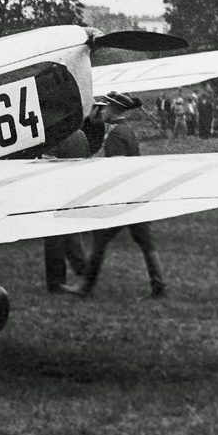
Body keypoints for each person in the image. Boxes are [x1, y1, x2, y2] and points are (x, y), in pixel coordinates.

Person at [64, 93, 166, 299]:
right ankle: (159, 286)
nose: (102, 111)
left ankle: (85, 287)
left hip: (123, 200)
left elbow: (117, 171)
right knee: (146, 244)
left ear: (112, 109)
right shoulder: (127, 130)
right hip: (136, 197)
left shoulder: (116, 136)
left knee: (100, 241)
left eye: (105, 107)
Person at [42, 126, 90, 293]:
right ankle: (83, 270)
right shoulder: (81, 135)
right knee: (71, 234)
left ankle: (56, 282)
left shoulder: (53, 135)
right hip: (75, 191)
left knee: (53, 239)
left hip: (56, 192)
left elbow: (46, 163)